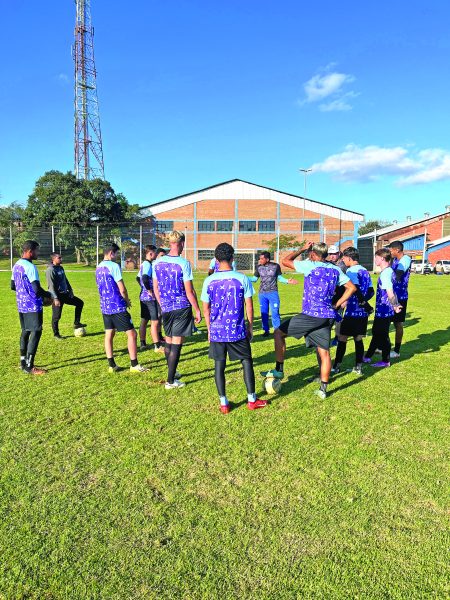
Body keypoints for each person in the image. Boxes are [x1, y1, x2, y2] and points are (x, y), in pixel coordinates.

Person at [263, 241, 356, 399]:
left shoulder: (310, 266)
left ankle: (279, 369)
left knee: (279, 333)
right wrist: (337, 304)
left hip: (311, 315)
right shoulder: (335, 269)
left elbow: (285, 261)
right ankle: (323, 390)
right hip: (327, 316)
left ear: (313, 254)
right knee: (324, 352)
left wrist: (302, 249)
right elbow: (352, 288)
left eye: (310, 253)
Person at [201, 243, 267, 413]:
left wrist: (209, 329)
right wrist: (250, 326)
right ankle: (252, 399)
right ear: (232, 258)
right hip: (237, 331)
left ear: (216, 259)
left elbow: (206, 308)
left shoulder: (209, 280)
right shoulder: (242, 278)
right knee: (246, 362)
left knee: (219, 366)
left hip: (217, 331)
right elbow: (249, 306)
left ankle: (224, 403)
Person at [152, 230, 202, 389]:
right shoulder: (183, 263)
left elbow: (156, 288)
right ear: (181, 243)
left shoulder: (157, 262)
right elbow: (189, 291)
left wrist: (162, 304)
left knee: (169, 340)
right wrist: (197, 309)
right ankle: (170, 381)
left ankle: (172, 373)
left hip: (166, 307)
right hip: (181, 307)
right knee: (177, 343)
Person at [95, 243, 148, 373]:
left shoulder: (98, 267)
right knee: (132, 334)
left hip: (105, 306)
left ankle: (111, 365)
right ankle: (134, 364)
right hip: (117, 305)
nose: (117, 256)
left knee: (109, 333)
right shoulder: (114, 266)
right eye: (117, 254)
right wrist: (126, 301)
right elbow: (122, 288)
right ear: (111, 253)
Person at [11, 240, 53, 375]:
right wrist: (49, 295)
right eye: (37, 251)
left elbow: (13, 286)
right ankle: (29, 366)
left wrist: (23, 292)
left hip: (21, 304)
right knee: (36, 332)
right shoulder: (30, 267)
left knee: (25, 331)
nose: (38, 253)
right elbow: (36, 289)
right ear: (30, 251)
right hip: (33, 305)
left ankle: (23, 362)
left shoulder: (16, 265)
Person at [332, 247, 374, 375]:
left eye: (344, 258)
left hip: (352, 312)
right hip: (363, 314)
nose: (343, 260)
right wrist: (365, 304)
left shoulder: (351, 271)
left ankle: (336, 366)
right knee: (358, 339)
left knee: (342, 338)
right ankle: (358, 367)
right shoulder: (365, 271)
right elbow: (371, 291)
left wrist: (361, 302)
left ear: (349, 258)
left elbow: (354, 288)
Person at [363, 248, 402, 368]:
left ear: (382, 259)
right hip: (383, 309)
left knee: (383, 335)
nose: (375, 259)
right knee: (376, 332)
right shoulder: (389, 271)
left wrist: (395, 305)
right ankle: (368, 356)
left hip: (385, 309)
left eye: (376, 257)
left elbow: (390, 292)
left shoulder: (386, 273)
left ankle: (385, 360)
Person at [249, 251, 298, 336]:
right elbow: (254, 279)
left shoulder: (276, 266)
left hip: (273, 293)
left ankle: (277, 331)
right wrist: (242, 277)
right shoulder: (259, 267)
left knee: (275, 312)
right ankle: (266, 331)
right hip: (262, 294)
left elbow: (280, 278)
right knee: (264, 313)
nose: (260, 260)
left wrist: (287, 281)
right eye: (259, 258)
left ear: (267, 259)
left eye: (261, 258)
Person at [46, 252, 86, 339]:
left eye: (61, 257)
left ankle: (77, 322)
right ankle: (56, 334)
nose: (61, 259)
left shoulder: (60, 268)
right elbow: (51, 286)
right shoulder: (50, 270)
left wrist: (70, 290)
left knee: (79, 303)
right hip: (57, 296)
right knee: (56, 316)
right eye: (59, 258)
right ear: (54, 259)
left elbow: (65, 279)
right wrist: (55, 299)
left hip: (65, 294)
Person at [136, 244, 164, 353]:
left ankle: (142, 343)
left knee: (144, 320)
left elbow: (137, 278)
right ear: (151, 253)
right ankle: (157, 346)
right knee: (155, 321)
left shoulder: (144, 264)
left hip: (143, 297)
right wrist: (149, 290)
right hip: (149, 298)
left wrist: (143, 288)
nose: (156, 255)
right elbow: (143, 278)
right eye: (155, 253)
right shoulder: (148, 264)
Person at [388, 241, 412, 358]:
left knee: (397, 323)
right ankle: (383, 346)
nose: (390, 252)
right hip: (391, 295)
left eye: (391, 250)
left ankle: (396, 351)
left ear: (397, 250)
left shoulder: (405, 259)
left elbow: (398, 273)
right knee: (386, 321)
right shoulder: (395, 260)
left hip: (400, 297)